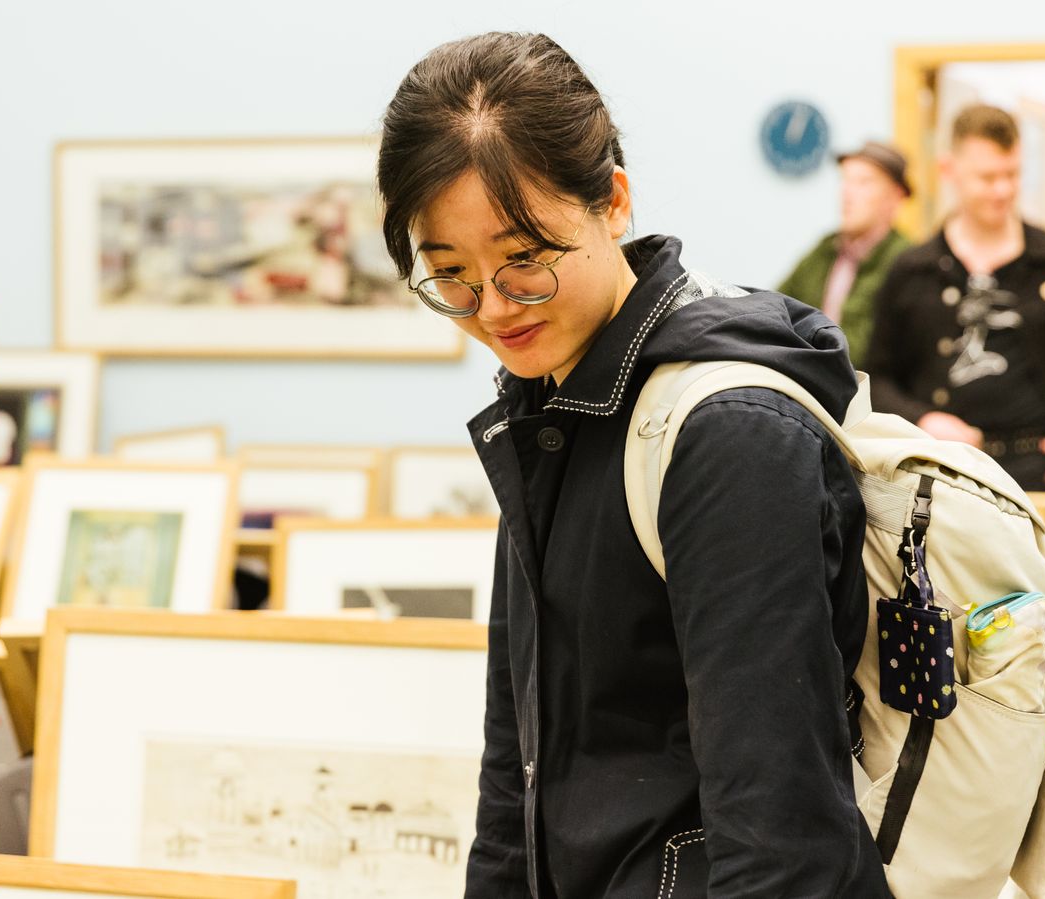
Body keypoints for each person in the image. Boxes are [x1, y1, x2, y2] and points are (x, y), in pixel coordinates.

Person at [377, 33, 889, 897]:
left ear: (613, 201)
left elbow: (781, 832)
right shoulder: (547, 402)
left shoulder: (726, 433)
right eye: (452, 277)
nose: (495, 308)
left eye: (526, 261)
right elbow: (516, 770)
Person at [865, 104, 1045, 492]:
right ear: (948, 170)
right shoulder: (912, 270)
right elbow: (875, 376)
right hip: (942, 475)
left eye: (1012, 174)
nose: (1002, 190)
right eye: (987, 177)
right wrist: (922, 420)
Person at [776, 141, 914, 369]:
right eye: (845, 180)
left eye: (863, 182)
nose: (847, 192)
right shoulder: (825, 248)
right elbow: (776, 307)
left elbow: (878, 353)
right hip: (806, 383)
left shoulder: (906, 261)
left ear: (895, 196)